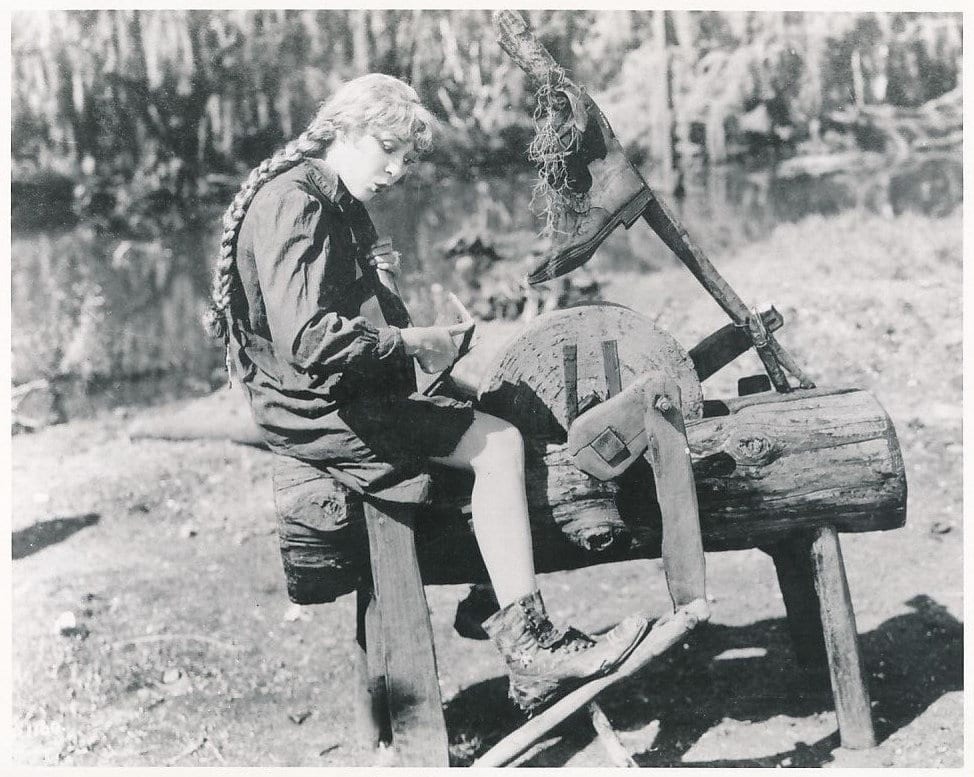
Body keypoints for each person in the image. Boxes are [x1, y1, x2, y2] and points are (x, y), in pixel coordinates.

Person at [204, 73, 648, 713]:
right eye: (388, 149)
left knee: (498, 406)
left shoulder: (332, 201)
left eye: (407, 157)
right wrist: (413, 346)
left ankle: (492, 599)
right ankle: (529, 642)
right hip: (317, 409)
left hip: (333, 391)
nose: (397, 169)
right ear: (347, 130)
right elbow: (308, 343)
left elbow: (350, 321)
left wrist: (390, 298)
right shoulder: (295, 203)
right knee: (497, 447)